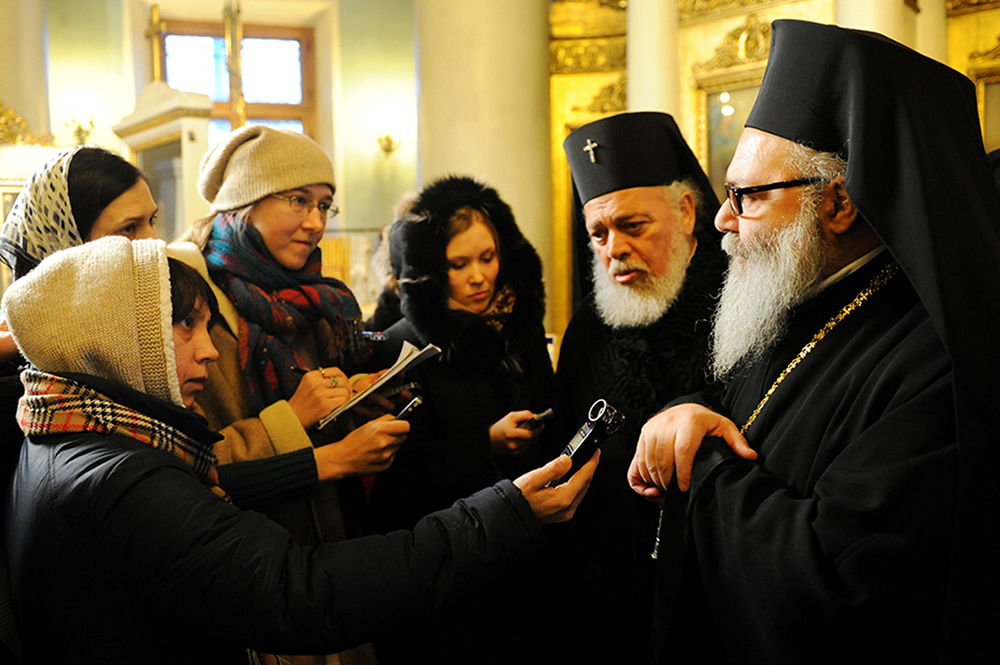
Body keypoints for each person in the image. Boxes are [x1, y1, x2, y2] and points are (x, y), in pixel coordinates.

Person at [2, 235, 599, 665]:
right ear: (123, 343)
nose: (208, 351)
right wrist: (501, 514)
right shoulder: (122, 476)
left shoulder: (68, 432)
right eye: (185, 327)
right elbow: (302, 592)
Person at [627, 20, 1000, 664]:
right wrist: (686, 412)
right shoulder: (794, 299)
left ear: (839, 203)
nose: (722, 219)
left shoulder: (938, 365)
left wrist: (703, 466)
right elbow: (741, 407)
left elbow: (838, 589)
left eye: (744, 196)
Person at [536, 111, 726, 664]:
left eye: (633, 226)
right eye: (598, 233)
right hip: (606, 593)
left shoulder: (741, 309)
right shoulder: (587, 327)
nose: (613, 249)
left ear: (686, 211)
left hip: (709, 589)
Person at [363, 174, 553, 663]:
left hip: (526, 559)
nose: (479, 277)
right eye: (459, 264)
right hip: (446, 574)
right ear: (430, 269)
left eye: (488, 257)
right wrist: (483, 444)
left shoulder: (519, 327)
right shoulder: (401, 345)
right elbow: (393, 479)